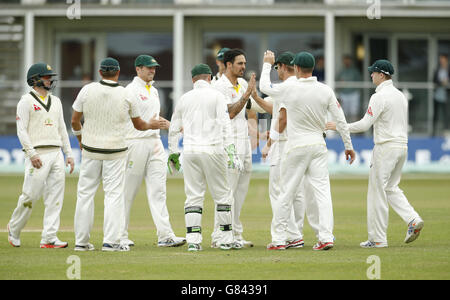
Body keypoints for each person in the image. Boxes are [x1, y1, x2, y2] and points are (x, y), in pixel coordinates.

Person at [261, 51, 355, 251]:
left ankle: (279, 239)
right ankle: (326, 237)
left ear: (295, 68)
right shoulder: (325, 90)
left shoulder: (289, 88)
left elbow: (263, 87)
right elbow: (341, 120)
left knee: (285, 193)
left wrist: (267, 64)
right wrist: (349, 146)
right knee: (322, 193)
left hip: (296, 147)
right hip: (318, 146)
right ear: (312, 68)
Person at [327, 59, 424, 248]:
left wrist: (340, 126)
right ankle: (412, 219)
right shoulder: (400, 95)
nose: (370, 75)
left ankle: (378, 239)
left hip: (385, 147)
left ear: (381, 75)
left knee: (377, 192)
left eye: (373, 72)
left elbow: (365, 124)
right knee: (390, 187)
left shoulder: (379, 96)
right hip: (402, 146)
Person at [71, 57, 165, 252]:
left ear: (100, 73)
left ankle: (81, 242)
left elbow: (74, 121)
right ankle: (111, 242)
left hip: (90, 150)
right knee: (113, 196)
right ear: (118, 72)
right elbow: (139, 125)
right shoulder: (125, 93)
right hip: (115, 151)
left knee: (85, 195)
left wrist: (80, 140)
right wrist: (152, 125)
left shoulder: (87, 90)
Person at [167, 64, 242, 251]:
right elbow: (226, 125)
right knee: (223, 195)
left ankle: (193, 240)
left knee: (193, 196)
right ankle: (225, 239)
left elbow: (174, 128)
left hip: (190, 151)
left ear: (193, 79)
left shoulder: (184, 98)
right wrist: (232, 152)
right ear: (209, 78)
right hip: (213, 149)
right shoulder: (216, 96)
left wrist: (173, 153)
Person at [255, 51, 320, 250]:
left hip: (283, 144)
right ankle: (296, 234)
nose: (277, 71)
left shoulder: (286, 87)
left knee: (278, 192)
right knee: (295, 192)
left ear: (282, 66)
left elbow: (282, 119)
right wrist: (255, 98)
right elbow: (275, 110)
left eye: (277, 68)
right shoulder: (297, 87)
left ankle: (289, 236)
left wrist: (266, 64)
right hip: (296, 143)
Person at [120, 55, 186, 248]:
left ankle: (165, 235)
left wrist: (165, 123)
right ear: (138, 69)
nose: (152, 71)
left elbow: (153, 117)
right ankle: (120, 235)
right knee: (128, 192)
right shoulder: (129, 91)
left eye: (154, 68)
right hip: (135, 143)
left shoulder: (154, 91)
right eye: (149, 68)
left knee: (159, 191)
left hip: (155, 143)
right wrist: (149, 125)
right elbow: (126, 119)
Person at [7, 62, 75, 248]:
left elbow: (62, 129)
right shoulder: (26, 101)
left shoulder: (57, 101)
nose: (50, 80)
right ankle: (14, 228)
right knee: (30, 196)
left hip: (56, 153)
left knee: (55, 197)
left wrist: (68, 154)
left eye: (50, 77)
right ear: (35, 79)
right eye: (46, 77)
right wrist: (31, 153)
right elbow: (21, 130)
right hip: (38, 155)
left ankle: (49, 237)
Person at [210, 48, 257, 248]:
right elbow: (229, 113)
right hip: (228, 140)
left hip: (243, 138)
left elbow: (252, 110)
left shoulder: (243, 83)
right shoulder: (219, 87)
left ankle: (236, 234)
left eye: (245, 63)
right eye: (240, 63)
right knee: (227, 189)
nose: (243, 67)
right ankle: (219, 235)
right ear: (228, 65)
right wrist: (246, 95)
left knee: (240, 189)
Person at [336, 54, 362, 123]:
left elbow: (359, 82)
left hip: (353, 94)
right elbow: (337, 82)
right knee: (344, 113)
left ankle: (354, 131)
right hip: (343, 94)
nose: (347, 62)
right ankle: (345, 129)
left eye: (348, 60)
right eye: (345, 60)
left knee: (354, 113)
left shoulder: (355, 71)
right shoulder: (341, 71)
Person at [432, 53, 450, 136]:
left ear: (446, 60)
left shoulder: (448, 69)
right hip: (437, 94)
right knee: (436, 114)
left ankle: (446, 131)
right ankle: (434, 132)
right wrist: (441, 82)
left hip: (446, 95)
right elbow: (434, 80)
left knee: (446, 113)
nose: (441, 61)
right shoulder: (437, 69)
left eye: (443, 59)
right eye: (440, 59)